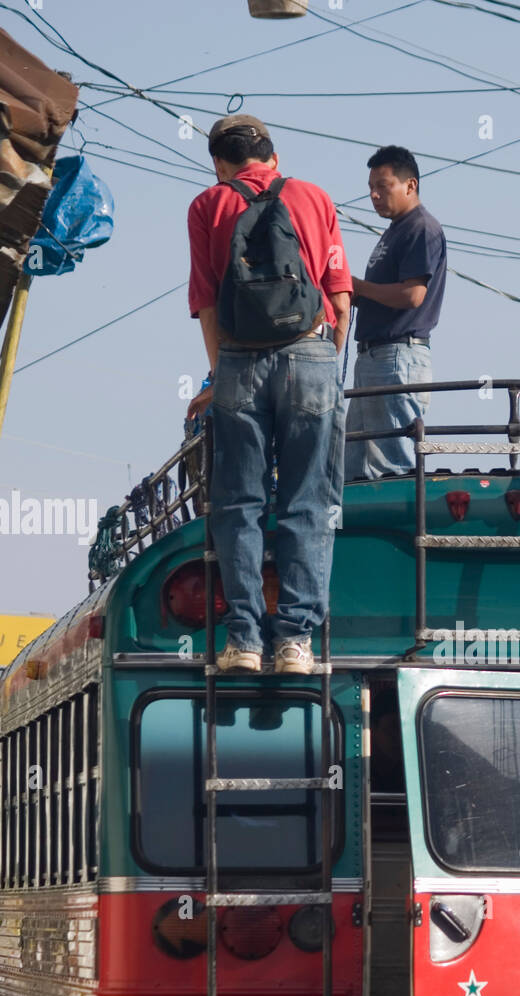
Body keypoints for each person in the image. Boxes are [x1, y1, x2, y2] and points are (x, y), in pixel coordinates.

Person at [186, 114, 351, 674]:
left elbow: (206, 301)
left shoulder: (207, 205)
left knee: (239, 504)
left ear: (219, 163)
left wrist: (219, 375)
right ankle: (296, 643)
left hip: (238, 362)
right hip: (311, 355)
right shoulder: (314, 197)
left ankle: (245, 641)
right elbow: (340, 296)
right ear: (273, 158)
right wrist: (325, 357)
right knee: (309, 499)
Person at [344, 145, 446, 480]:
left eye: (383, 187)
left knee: (393, 467)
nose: (373, 195)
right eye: (371, 188)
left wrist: (357, 287)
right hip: (378, 357)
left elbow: (412, 294)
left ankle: (400, 532)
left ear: (410, 185)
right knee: (355, 469)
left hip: (397, 356)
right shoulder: (396, 230)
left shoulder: (421, 228)